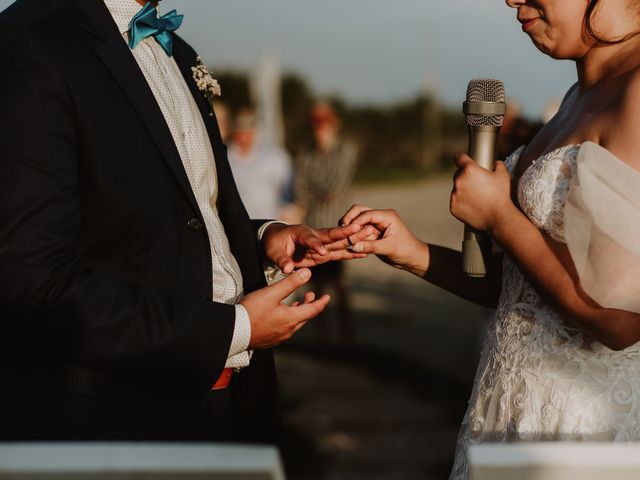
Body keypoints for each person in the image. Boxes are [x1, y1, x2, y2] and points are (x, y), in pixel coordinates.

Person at [0, 0, 365, 443]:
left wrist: (264, 237)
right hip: (119, 417)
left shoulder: (180, 52)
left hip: (233, 402)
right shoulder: (30, 41)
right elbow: (34, 279)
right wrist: (234, 329)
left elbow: (179, 214)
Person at [335, 0, 640, 478]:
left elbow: (620, 318)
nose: (512, 0)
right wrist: (414, 254)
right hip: (507, 407)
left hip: (579, 431)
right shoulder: (576, 98)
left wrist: (499, 215)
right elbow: (527, 288)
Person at [294, 101, 359, 343]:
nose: (319, 126)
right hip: (312, 226)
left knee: (339, 284)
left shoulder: (346, 149)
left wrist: (311, 192)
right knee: (315, 284)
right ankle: (323, 339)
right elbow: (299, 187)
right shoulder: (306, 151)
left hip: (338, 227)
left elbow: (335, 185)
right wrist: (312, 193)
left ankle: (347, 337)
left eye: (324, 120)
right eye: (316, 121)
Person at [228, 108, 294, 221]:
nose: (244, 135)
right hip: (235, 226)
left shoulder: (275, 156)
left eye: (248, 129)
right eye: (240, 129)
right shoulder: (224, 156)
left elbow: (287, 194)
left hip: (269, 225)